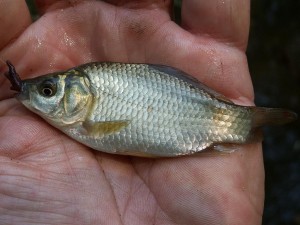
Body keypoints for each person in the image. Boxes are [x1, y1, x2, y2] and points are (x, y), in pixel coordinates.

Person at [0, 0, 263, 224]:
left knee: (234, 124)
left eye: (48, 91)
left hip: (189, 112)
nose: (41, 95)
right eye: (49, 91)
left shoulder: (87, 123)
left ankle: (241, 124)